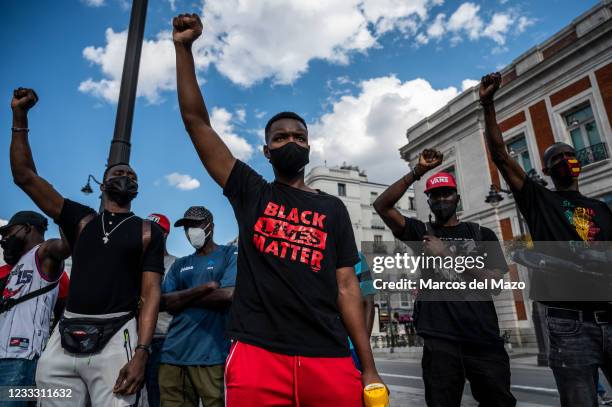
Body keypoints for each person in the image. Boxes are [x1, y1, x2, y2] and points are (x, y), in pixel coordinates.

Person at [172, 13, 385, 406]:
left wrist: (368, 367)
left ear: (308, 147)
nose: (292, 141)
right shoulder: (252, 192)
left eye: (300, 137)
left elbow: (347, 287)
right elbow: (196, 123)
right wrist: (183, 49)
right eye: (281, 137)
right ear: (267, 151)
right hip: (258, 355)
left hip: (330, 356)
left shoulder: (332, 209)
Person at [9, 87, 164, 407]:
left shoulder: (148, 231)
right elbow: (24, 176)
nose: (125, 175)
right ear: (104, 183)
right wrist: (19, 116)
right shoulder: (80, 220)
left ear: (136, 190)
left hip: (115, 339)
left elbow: (151, 296)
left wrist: (142, 354)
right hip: (62, 343)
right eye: (118, 172)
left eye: (131, 175)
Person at [480, 72, 612, 407]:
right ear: (548, 171)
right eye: (556, 159)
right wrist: (488, 103)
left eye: (569, 155)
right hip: (569, 323)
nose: (565, 161)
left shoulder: (601, 209)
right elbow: (499, 154)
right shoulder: (541, 201)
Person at [373, 149, 516, 407]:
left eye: (446, 194)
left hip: (483, 338)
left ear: (457, 197)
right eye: (435, 196)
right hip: (440, 341)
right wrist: (418, 171)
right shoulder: (421, 232)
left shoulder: (482, 235)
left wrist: (447, 254)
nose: (441, 200)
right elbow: (381, 205)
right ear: (428, 202)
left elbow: (495, 284)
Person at [158, 206, 237, 407]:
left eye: (196, 224)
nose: (190, 230)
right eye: (186, 226)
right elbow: (164, 303)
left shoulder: (229, 254)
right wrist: (202, 289)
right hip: (173, 355)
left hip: (212, 356)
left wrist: (181, 298)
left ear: (211, 226)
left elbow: (227, 295)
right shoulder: (180, 264)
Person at [0, 211, 70, 405]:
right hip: (5, 358)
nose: (4, 239)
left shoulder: (43, 254)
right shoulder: (17, 265)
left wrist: (61, 211)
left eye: (8, 232)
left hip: (22, 360)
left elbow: (64, 246)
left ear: (28, 228)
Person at [143, 213, 177, 407]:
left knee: (158, 396)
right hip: (135, 340)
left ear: (164, 235)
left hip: (162, 340)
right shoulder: (135, 266)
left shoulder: (175, 264)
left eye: (154, 231)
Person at [350, 252, 376, 371]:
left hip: (351, 347)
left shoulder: (356, 256)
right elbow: (368, 304)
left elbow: (368, 303)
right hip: (353, 346)